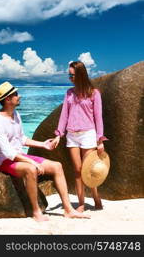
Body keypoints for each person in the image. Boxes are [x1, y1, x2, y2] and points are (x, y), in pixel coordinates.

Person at [0, 81, 90, 222]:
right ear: (7, 99)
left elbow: (22, 139)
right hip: (5, 161)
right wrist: (31, 161)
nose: (19, 96)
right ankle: (36, 212)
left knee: (57, 166)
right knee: (31, 169)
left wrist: (43, 145)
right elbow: (7, 152)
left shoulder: (16, 114)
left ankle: (68, 210)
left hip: (19, 157)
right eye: (16, 94)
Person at [52, 61, 108, 212]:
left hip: (88, 134)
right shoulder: (69, 93)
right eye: (69, 75)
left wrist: (100, 140)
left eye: (72, 75)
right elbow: (64, 115)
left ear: (80, 74)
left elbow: (98, 118)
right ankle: (81, 203)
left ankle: (96, 197)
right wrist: (59, 134)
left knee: (88, 170)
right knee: (77, 171)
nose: (70, 77)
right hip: (72, 136)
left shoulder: (94, 93)